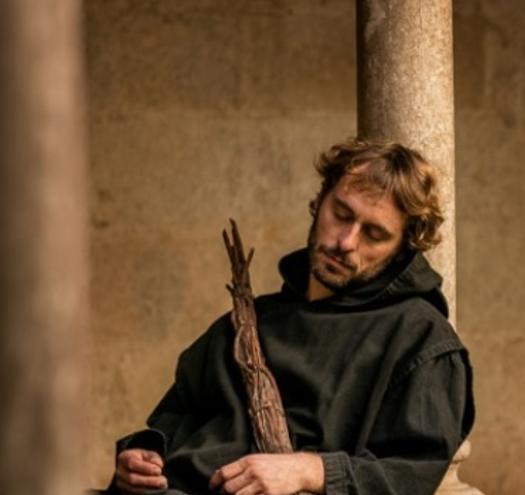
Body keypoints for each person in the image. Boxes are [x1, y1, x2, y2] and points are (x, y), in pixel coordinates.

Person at [105, 139, 475, 495]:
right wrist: (142, 456)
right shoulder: (249, 321)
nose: (346, 241)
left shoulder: (420, 339)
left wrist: (311, 470)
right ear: (319, 202)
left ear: (400, 250)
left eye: (375, 234)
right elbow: (175, 416)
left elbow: (413, 473)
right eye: (341, 214)